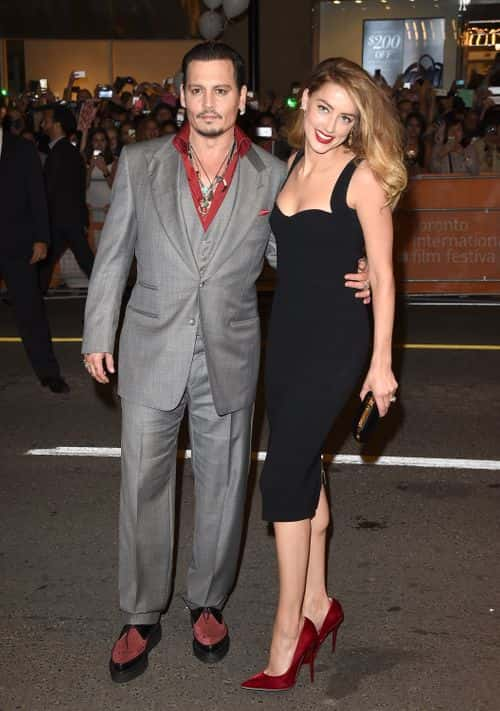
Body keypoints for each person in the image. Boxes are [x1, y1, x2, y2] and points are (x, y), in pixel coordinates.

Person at [82, 42, 370, 684]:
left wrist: (369, 267)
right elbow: (114, 256)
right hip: (150, 347)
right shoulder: (141, 163)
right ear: (180, 95)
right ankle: (139, 612)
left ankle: (207, 602)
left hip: (231, 353)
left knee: (224, 488)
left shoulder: (273, 174)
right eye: (197, 90)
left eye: (222, 91)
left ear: (242, 97)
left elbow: (295, 253)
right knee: (142, 488)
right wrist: (97, 331)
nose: (208, 102)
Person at [241, 57, 406, 692]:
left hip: (338, 340)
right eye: (324, 108)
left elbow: (386, 278)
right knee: (304, 466)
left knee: (283, 472)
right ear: (303, 99)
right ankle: (319, 603)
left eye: (346, 116)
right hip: (285, 335)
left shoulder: (359, 178)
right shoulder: (288, 167)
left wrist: (381, 362)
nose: (331, 125)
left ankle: (288, 631)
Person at [0, 119, 69, 393]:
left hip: (18, 243)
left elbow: (38, 195)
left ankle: (48, 373)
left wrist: (42, 238)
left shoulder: (22, 149)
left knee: (30, 312)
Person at [39, 105, 94, 293]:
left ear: (56, 124)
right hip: (67, 218)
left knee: (84, 260)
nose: (42, 124)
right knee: (48, 260)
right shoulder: (64, 151)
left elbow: (54, 189)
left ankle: (107, 292)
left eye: (46, 120)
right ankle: (32, 296)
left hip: (64, 219)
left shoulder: (61, 152)